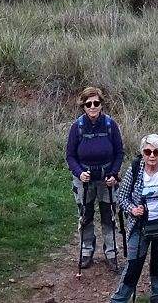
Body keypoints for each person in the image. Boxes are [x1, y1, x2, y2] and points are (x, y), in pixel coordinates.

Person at [110, 133, 158, 303]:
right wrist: (133, 209)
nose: (152, 156)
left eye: (157, 152)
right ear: (142, 152)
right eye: (148, 151)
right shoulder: (135, 168)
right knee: (133, 266)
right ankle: (119, 300)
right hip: (139, 226)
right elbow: (122, 197)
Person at [66, 87, 125, 270]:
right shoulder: (77, 127)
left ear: (101, 105)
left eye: (96, 103)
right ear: (83, 106)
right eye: (88, 104)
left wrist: (114, 174)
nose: (92, 107)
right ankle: (86, 251)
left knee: (109, 216)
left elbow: (119, 152)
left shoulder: (110, 125)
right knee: (85, 216)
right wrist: (79, 173)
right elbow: (70, 156)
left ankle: (111, 253)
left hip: (106, 178)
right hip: (84, 178)